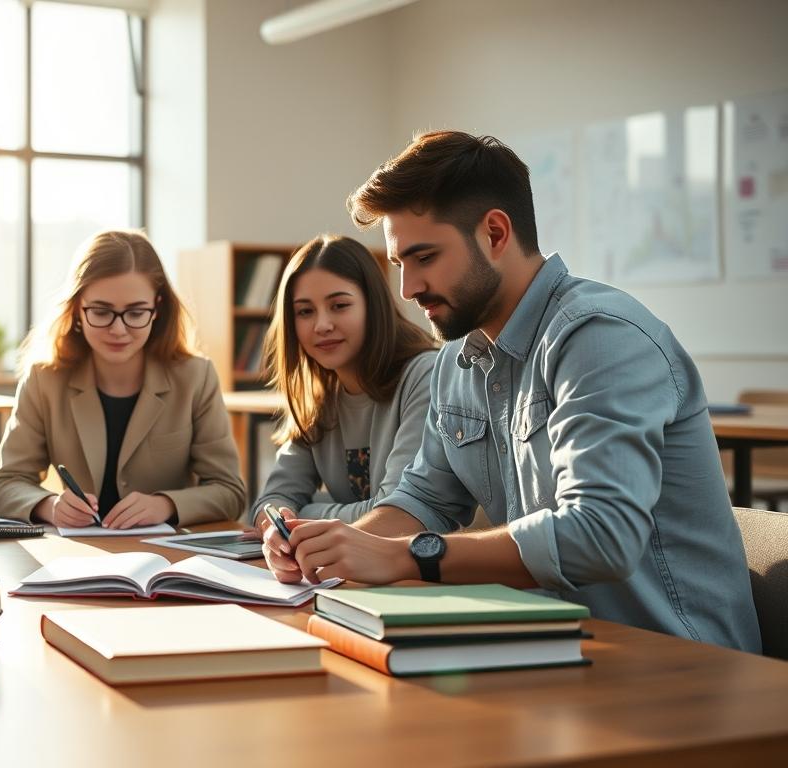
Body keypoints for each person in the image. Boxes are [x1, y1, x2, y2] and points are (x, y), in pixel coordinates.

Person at [262, 131, 760, 652]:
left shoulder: (600, 337)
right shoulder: (459, 357)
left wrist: (406, 556)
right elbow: (424, 498)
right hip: (554, 645)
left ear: (495, 234)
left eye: (424, 257)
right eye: (398, 265)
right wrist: (341, 547)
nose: (407, 289)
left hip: (677, 662)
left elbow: (601, 534)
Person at [0, 229, 245, 528]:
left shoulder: (195, 377)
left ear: (157, 309)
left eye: (136, 313)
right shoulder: (44, 379)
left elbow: (230, 491)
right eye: (101, 312)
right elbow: (4, 484)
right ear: (76, 309)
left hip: (167, 557)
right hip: (77, 555)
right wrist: (50, 506)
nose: (119, 330)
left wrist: (165, 505)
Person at [251, 234, 436, 526]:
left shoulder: (424, 377)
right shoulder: (318, 398)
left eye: (339, 305)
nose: (322, 325)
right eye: (305, 311)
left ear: (372, 306)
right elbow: (270, 503)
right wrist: (277, 525)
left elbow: (395, 515)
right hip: (357, 567)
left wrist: (302, 515)